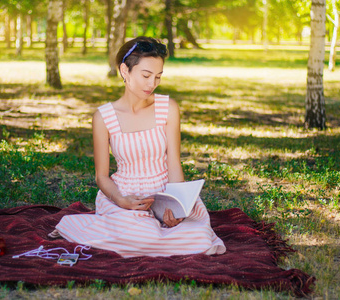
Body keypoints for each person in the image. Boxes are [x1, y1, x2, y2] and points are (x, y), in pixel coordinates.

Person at [50, 36, 226, 257]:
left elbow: (174, 164)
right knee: (145, 235)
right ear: (124, 70)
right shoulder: (103, 117)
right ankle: (84, 225)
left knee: (200, 237)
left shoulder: (168, 108)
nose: (152, 84)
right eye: (145, 75)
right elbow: (102, 177)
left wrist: (178, 206)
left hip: (164, 193)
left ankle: (147, 235)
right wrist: (120, 200)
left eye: (158, 77)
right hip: (126, 196)